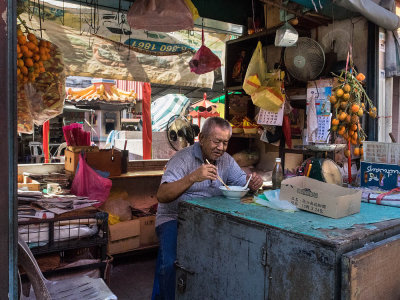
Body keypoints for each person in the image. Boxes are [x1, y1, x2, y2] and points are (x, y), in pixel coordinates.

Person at [151, 117, 263, 300]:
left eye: (225, 143)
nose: (221, 147)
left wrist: (253, 184)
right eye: (216, 141)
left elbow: (241, 184)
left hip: (208, 220)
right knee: (170, 263)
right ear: (201, 138)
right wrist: (193, 177)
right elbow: (162, 195)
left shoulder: (226, 161)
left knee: (218, 260)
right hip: (174, 217)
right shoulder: (182, 159)